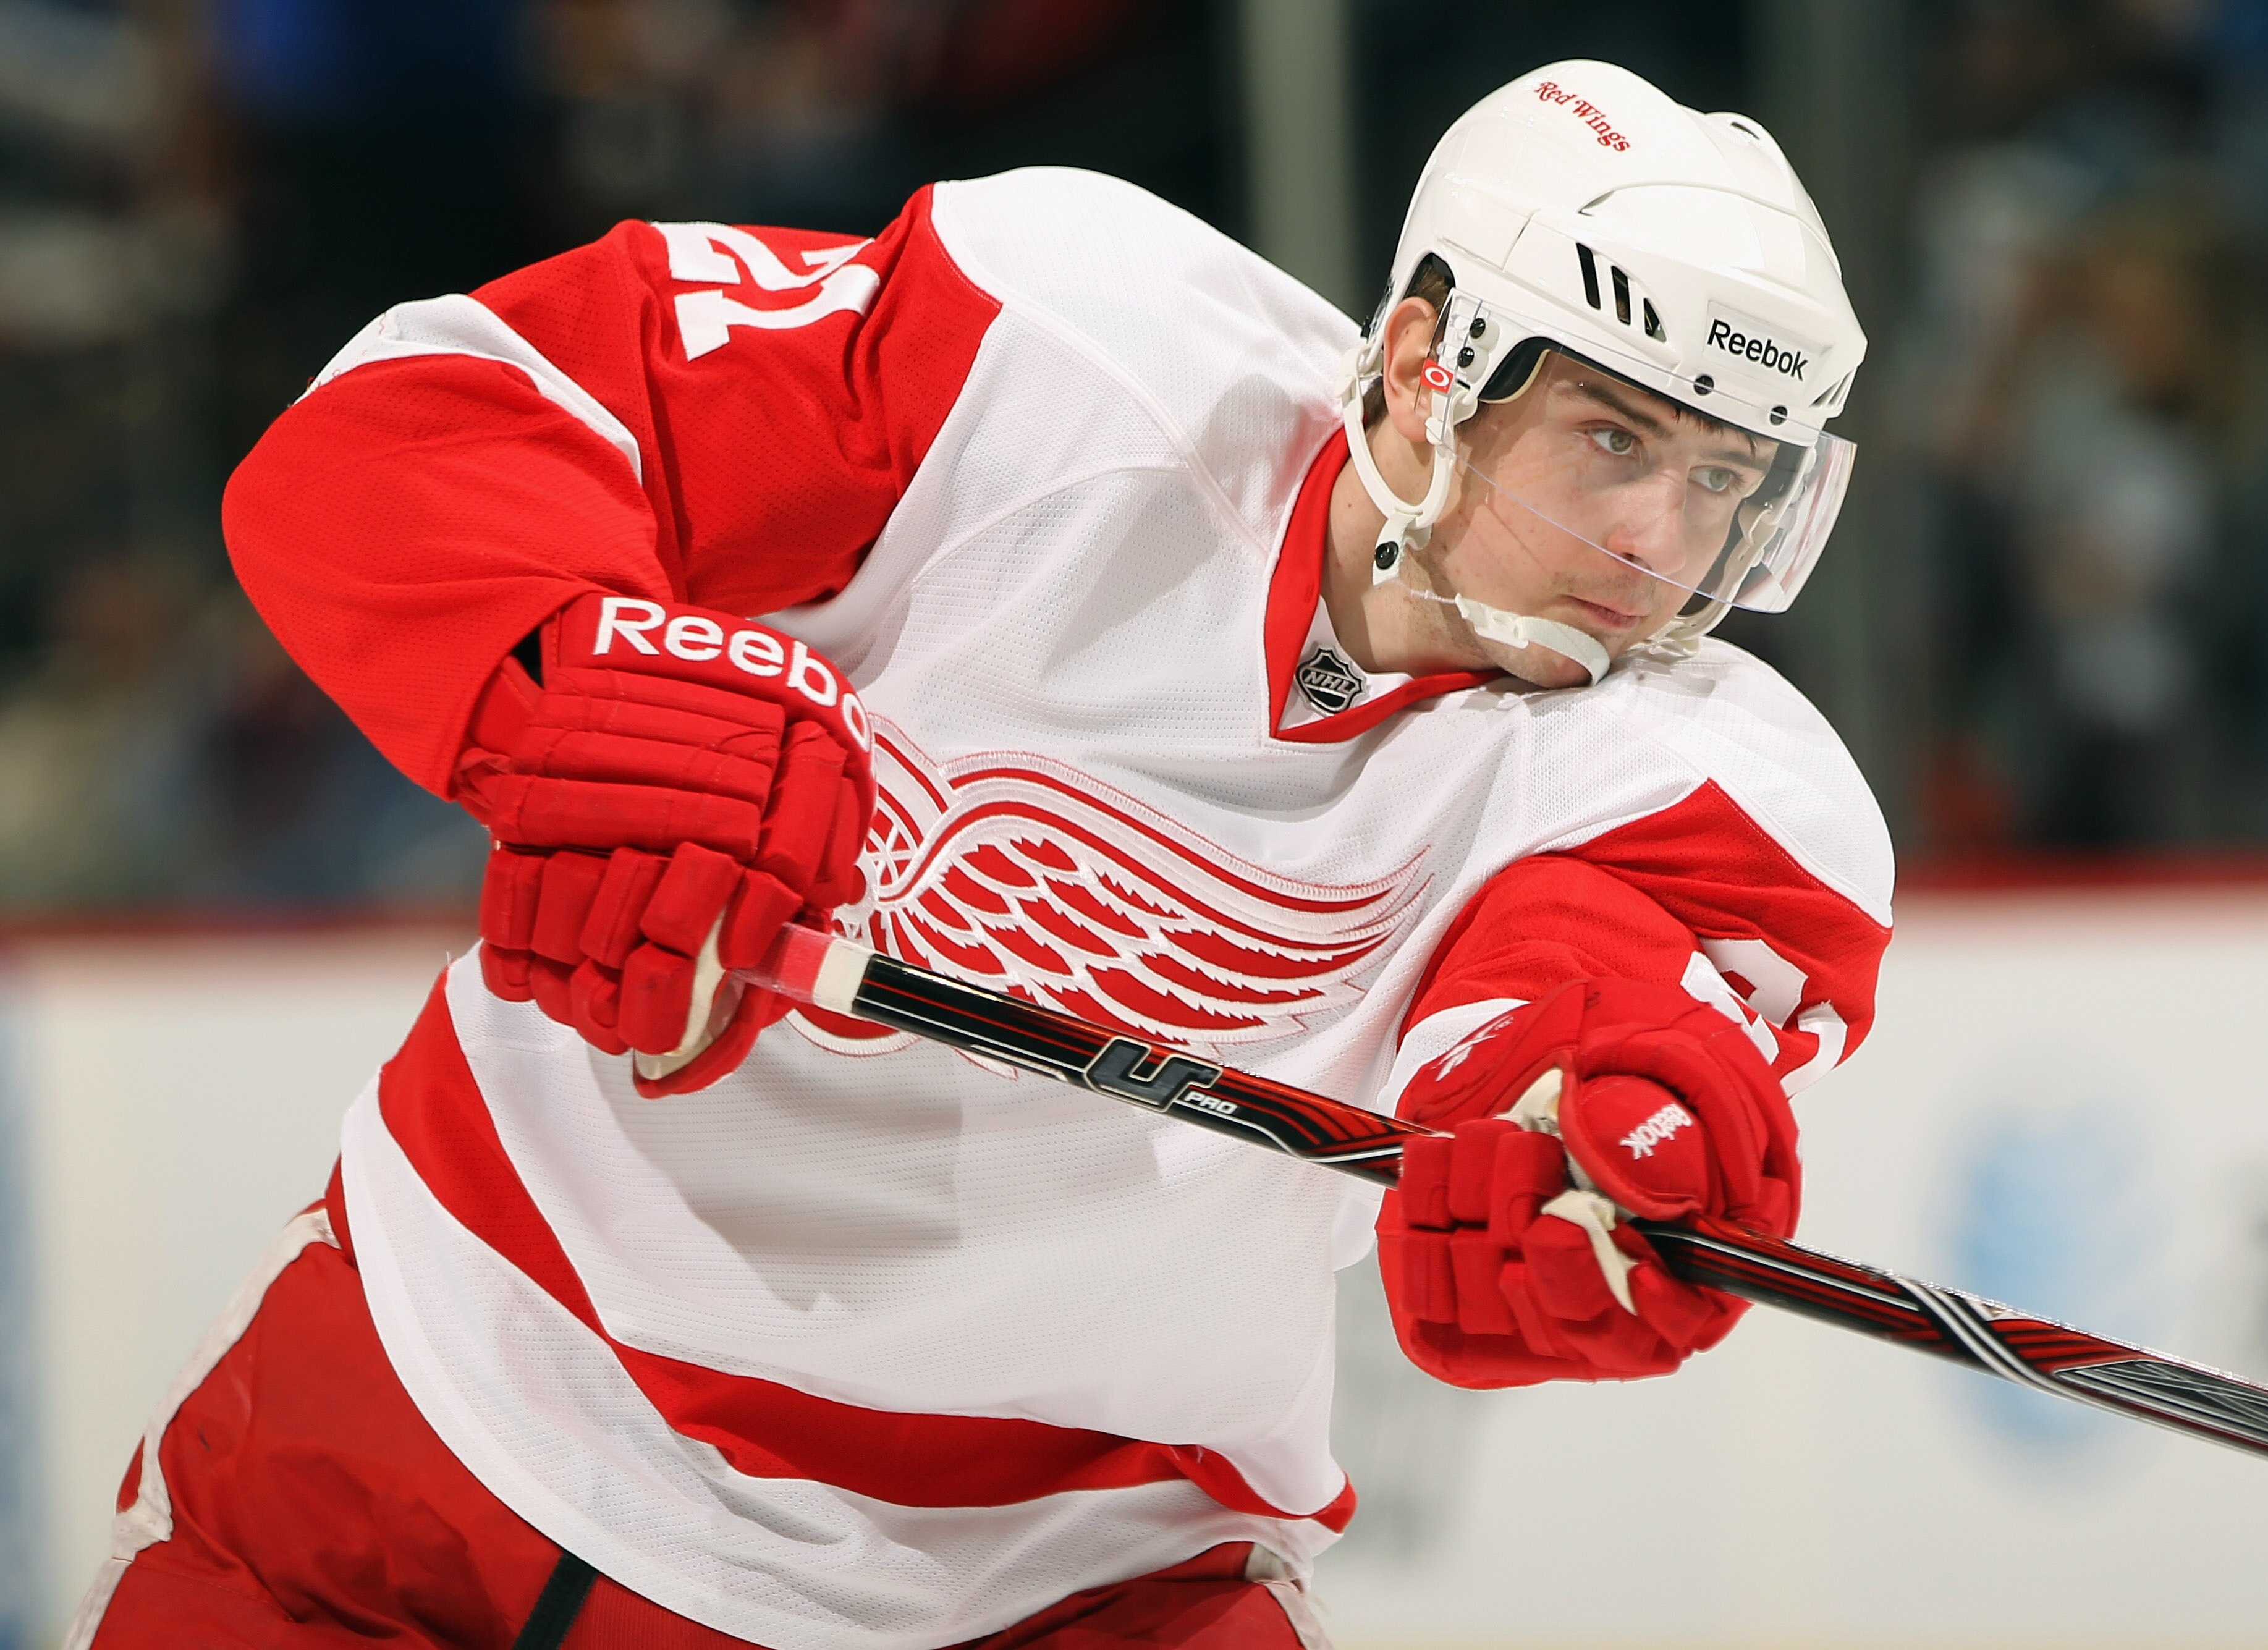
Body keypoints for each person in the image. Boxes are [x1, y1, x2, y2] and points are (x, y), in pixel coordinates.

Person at [72, 61, 1892, 1649]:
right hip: (453, 1417)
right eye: (1614, 438)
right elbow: (433, 410)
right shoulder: (1059, 345)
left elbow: (1587, 1007)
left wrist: (1577, 1144)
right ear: (1429, 360)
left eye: (1728, 478)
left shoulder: (1705, 785)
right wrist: (584, 673)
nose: (1662, 541)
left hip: (1054, 1587)